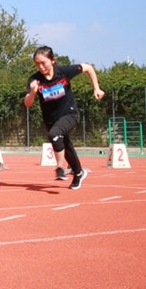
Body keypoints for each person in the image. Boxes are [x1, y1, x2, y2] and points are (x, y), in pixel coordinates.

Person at [24, 46, 105, 190]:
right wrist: (33, 93)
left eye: (44, 63)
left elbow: (88, 68)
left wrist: (96, 88)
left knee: (54, 135)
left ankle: (60, 167)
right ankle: (79, 172)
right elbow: (27, 104)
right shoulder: (35, 79)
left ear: (52, 61)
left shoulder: (63, 72)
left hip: (70, 114)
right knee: (66, 146)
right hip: (51, 119)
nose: (41, 67)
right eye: (37, 64)